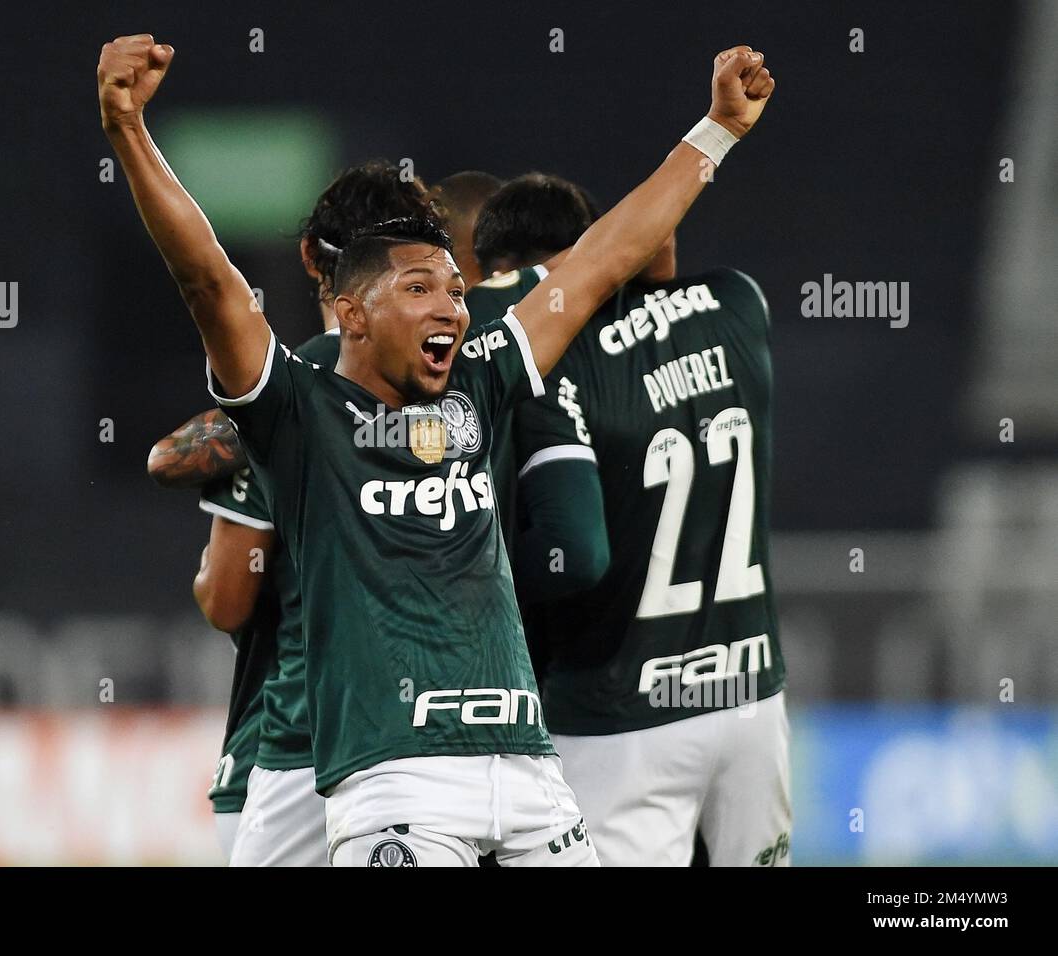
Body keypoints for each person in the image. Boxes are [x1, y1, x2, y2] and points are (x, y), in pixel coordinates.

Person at [98, 32, 774, 865]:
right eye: (419, 290)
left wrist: (717, 129)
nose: (451, 308)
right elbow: (207, 278)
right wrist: (127, 128)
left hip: (532, 777)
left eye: (454, 289)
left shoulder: (483, 380)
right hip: (399, 783)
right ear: (352, 312)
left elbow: (603, 259)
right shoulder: (299, 408)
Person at [473, 173, 791, 866]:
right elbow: (659, 251)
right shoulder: (739, 301)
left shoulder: (556, 365)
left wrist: (476, 580)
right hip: (751, 697)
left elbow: (573, 552)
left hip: (619, 710)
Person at [150, 161, 442, 864]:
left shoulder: (284, 399)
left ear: (312, 257)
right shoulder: (465, 389)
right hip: (450, 746)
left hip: (292, 750)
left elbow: (225, 598)